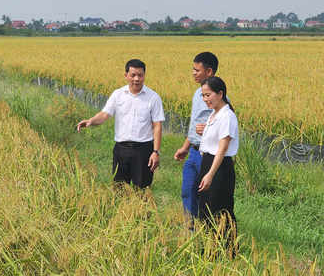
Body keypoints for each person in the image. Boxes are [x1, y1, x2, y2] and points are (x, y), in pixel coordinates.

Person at [77, 59, 165, 189]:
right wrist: (91, 121)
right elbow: (104, 114)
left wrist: (156, 151)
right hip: (121, 150)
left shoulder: (153, 97)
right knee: (118, 189)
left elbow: (157, 126)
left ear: (144, 75)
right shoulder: (118, 94)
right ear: (126, 76)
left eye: (140, 75)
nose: (136, 79)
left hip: (143, 150)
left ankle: (140, 210)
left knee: (142, 190)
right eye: (133, 75)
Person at [174, 52, 219, 218]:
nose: (194, 73)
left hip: (206, 154)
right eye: (193, 69)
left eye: (197, 70)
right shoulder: (197, 93)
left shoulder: (220, 97)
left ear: (209, 71)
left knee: (206, 196)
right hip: (193, 152)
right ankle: (190, 230)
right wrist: (185, 147)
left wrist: (207, 128)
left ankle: (208, 232)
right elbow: (194, 124)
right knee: (187, 192)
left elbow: (226, 126)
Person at [197, 76, 238, 253]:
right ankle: (209, 250)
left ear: (220, 94)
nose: (206, 99)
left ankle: (227, 252)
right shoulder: (215, 114)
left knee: (220, 211)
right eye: (203, 96)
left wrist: (210, 174)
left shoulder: (227, 117)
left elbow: (222, 149)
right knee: (206, 208)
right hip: (208, 163)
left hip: (218, 168)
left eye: (209, 95)